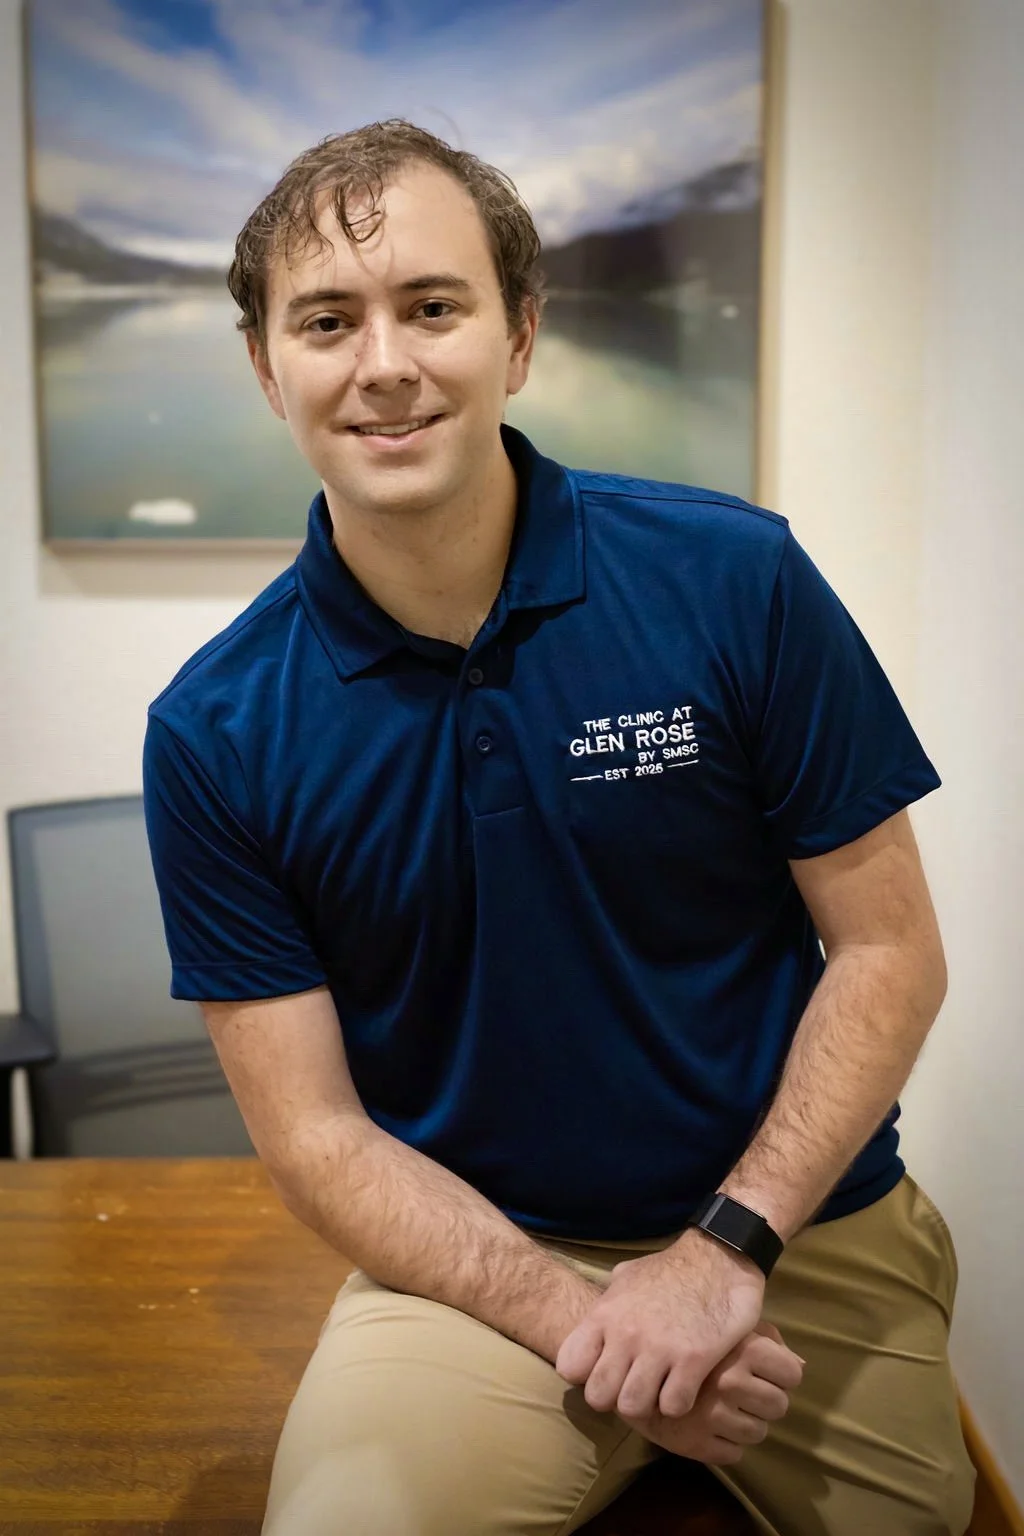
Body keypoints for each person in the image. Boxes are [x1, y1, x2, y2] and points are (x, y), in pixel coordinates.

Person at [143, 120, 976, 1536]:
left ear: (519, 338)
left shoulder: (737, 581)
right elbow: (320, 1141)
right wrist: (588, 1324)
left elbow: (890, 951)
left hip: (797, 1229)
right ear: (266, 367)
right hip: (480, 1266)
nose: (385, 362)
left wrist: (721, 1250)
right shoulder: (216, 731)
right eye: (329, 321)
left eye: (433, 307)